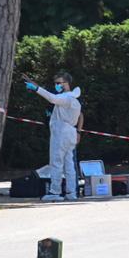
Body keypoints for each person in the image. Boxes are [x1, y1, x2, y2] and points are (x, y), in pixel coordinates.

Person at [25, 71, 82, 202]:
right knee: (69, 164)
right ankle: (71, 192)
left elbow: (52, 98)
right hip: (70, 133)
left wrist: (36, 88)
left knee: (56, 162)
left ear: (66, 84)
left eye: (58, 83)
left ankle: (55, 192)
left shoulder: (67, 98)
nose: (56, 85)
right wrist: (36, 86)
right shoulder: (73, 99)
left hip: (61, 132)